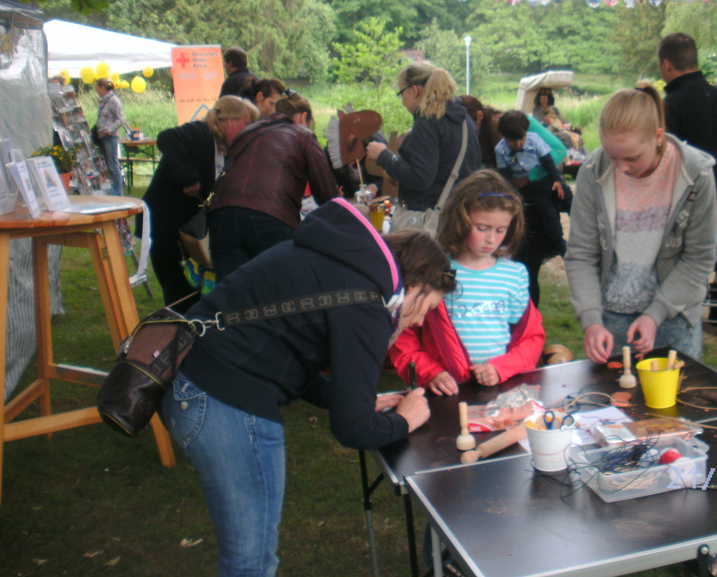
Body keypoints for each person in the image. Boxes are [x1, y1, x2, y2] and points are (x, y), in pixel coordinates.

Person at [159, 200, 456, 577]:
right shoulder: (368, 300)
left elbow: (286, 354)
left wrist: (347, 398)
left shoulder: (335, 258)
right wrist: (405, 421)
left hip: (187, 380)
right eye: (427, 308)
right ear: (413, 286)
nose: (418, 322)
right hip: (226, 403)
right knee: (251, 560)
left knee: (248, 556)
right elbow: (352, 429)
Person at [566, 82, 717, 363]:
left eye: (632, 157)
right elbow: (581, 254)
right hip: (608, 319)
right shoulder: (593, 171)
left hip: (673, 317)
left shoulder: (696, 175)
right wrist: (591, 320)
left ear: (658, 136)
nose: (621, 168)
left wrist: (655, 314)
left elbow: (699, 258)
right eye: (613, 156)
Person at [389, 170, 545, 395]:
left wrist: (501, 368)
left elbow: (529, 337)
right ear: (459, 221)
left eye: (501, 230)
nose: (491, 239)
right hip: (445, 392)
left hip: (499, 389)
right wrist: (430, 372)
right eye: (482, 228)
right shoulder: (435, 273)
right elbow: (405, 334)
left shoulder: (515, 275)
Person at [207, 90, 338, 281]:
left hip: (221, 215)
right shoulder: (303, 135)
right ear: (303, 117)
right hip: (270, 217)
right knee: (279, 289)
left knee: (233, 292)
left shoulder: (246, 133)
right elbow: (328, 195)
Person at [141, 96, 259, 307]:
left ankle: (191, 321)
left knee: (190, 287)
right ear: (229, 120)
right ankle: (177, 324)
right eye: (247, 124)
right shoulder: (201, 132)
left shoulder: (222, 146)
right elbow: (167, 138)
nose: (248, 131)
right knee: (176, 286)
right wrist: (189, 178)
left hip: (187, 228)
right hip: (165, 223)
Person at [659, 33, 717, 228]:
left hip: (679, 202)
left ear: (666, 65)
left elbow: (661, 158)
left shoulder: (669, 106)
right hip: (715, 197)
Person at [365, 61, 480, 214]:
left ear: (414, 91)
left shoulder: (428, 123)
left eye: (401, 94)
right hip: (462, 211)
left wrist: (384, 156)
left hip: (433, 216)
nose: (402, 101)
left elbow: (419, 178)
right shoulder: (464, 119)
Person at [495, 110, 567, 259]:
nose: (518, 144)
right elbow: (505, 174)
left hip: (546, 180)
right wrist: (512, 193)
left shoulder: (533, 140)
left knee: (570, 199)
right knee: (549, 215)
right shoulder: (501, 150)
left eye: (521, 139)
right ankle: (560, 246)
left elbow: (548, 161)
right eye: (512, 141)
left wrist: (556, 179)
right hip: (532, 190)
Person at [93, 77, 126, 195]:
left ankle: (118, 193)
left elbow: (121, 119)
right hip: (101, 136)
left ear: (102, 88)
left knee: (113, 165)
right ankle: (109, 191)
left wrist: (109, 130)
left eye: (97, 87)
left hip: (110, 137)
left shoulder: (113, 100)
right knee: (105, 165)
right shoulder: (102, 101)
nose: (96, 90)